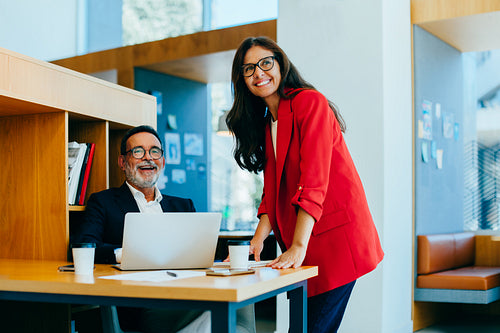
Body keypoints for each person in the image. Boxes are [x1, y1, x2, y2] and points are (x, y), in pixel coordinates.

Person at [226, 37, 384, 333]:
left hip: (336, 240)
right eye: (248, 69)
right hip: (308, 243)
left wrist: (298, 245)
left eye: (265, 63)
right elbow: (271, 191)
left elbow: (313, 180)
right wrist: (257, 240)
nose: (258, 73)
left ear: (280, 64)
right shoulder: (269, 122)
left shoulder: (308, 102)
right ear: (242, 79)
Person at [75, 125, 255, 333]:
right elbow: (85, 247)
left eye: (155, 151)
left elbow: (198, 253)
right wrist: (126, 254)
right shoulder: (103, 202)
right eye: (138, 151)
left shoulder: (183, 206)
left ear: (163, 161)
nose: (148, 158)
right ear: (123, 162)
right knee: (222, 306)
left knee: (242, 293)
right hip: (142, 303)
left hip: (186, 290)